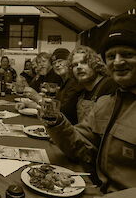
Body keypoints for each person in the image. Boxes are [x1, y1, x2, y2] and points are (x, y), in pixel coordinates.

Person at [40, 14, 136, 197]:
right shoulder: (107, 103)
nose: (117, 62)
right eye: (111, 56)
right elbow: (81, 148)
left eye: (128, 54)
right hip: (93, 187)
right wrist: (56, 123)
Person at [67, 45, 118, 122]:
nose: (79, 67)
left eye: (84, 62)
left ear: (95, 64)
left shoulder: (110, 85)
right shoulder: (81, 93)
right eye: (75, 65)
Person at [51, 48, 83, 124]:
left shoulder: (74, 82)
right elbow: (56, 102)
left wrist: (38, 99)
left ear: (69, 62)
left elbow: (65, 111)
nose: (57, 65)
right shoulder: (64, 81)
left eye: (60, 61)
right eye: (54, 63)